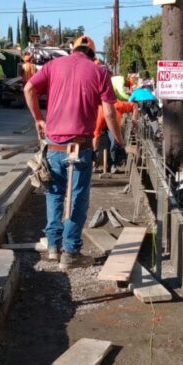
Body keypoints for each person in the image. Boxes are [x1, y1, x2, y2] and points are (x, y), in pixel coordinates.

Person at [25, 35, 126, 269]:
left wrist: (39, 120)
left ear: (73, 49)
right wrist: (119, 143)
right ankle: (70, 253)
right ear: (92, 53)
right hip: (80, 148)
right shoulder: (99, 72)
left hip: (53, 147)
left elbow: (29, 88)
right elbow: (110, 114)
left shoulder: (52, 66)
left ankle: (53, 247)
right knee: (77, 199)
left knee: (55, 195)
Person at [92, 99, 135, 171]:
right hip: (101, 121)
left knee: (114, 142)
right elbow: (96, 137)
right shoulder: (99, 113)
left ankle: (114, 165)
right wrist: (94, 152)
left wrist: (134, 119)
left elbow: (134, 106)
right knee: (96, 143)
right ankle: (95, 164)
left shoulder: (118, 105)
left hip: (114, 124)